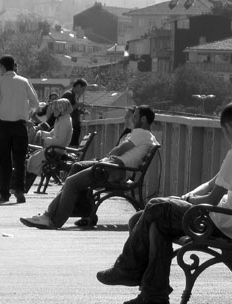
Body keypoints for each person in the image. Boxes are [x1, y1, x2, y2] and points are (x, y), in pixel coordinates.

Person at [95, 101, 232, 304]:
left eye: (225, 133)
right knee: (148, 221)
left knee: (155, 207)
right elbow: (218, 187)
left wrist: (185, 202)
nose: (227, 138)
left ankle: (129, 270)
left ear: (229, 127)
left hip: (222, 223)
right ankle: (154, 295)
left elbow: (211, 200)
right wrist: (183, 198)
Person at [20, 104, 158, 228]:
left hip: (115, 169)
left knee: (72, 182)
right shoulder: (146, 135)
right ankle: (78, 211)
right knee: (78, 166)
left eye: (135, 116)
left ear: (144, 119)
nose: (133, 119)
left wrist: (109, 156)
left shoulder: (141, 133)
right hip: (114, 167)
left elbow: (118, 150)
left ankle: (53, 220)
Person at [0, 54, 40, 203]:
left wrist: (1, 110)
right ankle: (19, 191)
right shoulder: (24, 81)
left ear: (3, 67)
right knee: (20, 159)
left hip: (3, 126)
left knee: (4, 161)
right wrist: (24, 111)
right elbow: (35, 103)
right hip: (20, 125)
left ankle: (4, 193)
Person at [23, 99, 74, 190]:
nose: (53, 111)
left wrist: (46, 140)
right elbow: (53, 134)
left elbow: (60, 141)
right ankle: (23, 185)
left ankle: (23, 186)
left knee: (33, 160)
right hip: (54, 149)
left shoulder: (64, 121)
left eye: (55, 109)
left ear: (61, 109)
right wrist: (41, 133)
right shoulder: (62, 119)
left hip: (57, 150)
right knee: (33, 159)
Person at [61, 78, 88, 147]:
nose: (83, 92)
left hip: (74, 124)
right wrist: (79, 105)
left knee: (74, 142)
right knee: (72, 144)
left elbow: (73, 109)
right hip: (70, 124)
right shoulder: (68, 95)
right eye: (83, 89)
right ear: (78, 86)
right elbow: (65, 108)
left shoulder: (75, 96)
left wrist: (81, 111)